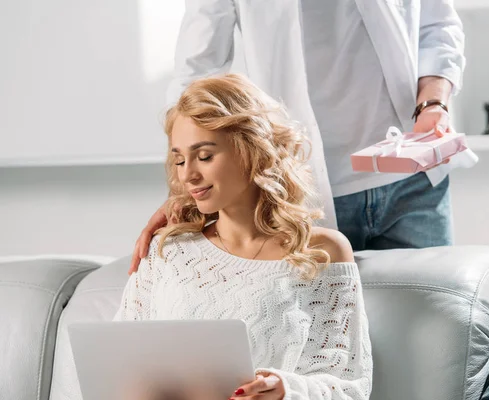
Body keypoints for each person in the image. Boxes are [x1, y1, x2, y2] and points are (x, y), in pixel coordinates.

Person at [129, 0, 466, 274]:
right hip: (305, 193)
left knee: (443, 332)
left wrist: (433, 103)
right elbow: (196, 74)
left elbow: (438, 27)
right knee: (329, 335)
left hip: (412, 180)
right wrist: (182, 189)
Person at [114, 74, 372, 400]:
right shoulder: (169, 251)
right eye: (179, 159)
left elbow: (350, 386)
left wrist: (285, 390)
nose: (187, 174)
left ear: (250, 149)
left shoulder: (322, 250)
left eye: (204, 156)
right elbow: (118, 366)